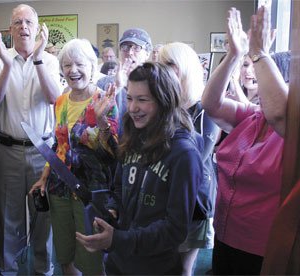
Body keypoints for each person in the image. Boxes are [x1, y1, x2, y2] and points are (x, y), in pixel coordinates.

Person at [76, 62, 203, 275]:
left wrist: (118, 239)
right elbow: (119, 188)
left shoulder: (184, 154)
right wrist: (112, 209)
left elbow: (174, 229)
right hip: (118, 262)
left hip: (154, 267)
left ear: (164, 102)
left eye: (142, 100)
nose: (133, 107)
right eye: (129, 98)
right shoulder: (132, 136)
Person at [201, 6, 287, 275]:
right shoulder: (253, 116)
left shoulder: (294, 131)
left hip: (262, 248)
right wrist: (233, 55)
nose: (256, 78)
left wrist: (261, 54)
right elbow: (210, 103)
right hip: (226, 236)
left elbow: (281, 112)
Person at [0, 4, 63, 275]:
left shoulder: (50, 61)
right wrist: (6, 65)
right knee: (8, 218)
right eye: (17, 22)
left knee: (44, 217)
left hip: (42, 152)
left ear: (38, 28)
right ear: (10, 30)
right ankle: (8, 270)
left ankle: (43, 269)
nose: (23, 27)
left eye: (28, 22)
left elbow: (54, 98)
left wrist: (39, 59)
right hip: (8, 151)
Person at [29, 38, 119, 276]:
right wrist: (44, 177)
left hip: (91, 192)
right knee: (65, 254)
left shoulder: (106, 99)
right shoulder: (60, 101)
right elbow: (59, 145)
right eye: (67, 65)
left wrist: (101, 123)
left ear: (92, 65)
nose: (73, 70)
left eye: (79, 64)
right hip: (60, 188)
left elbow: (115, 152)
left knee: (91, 257)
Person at [159, 42, 220, 276]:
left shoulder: (204, 108)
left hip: (192, 203)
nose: (163, 70)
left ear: (185, 68)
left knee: (182, 269)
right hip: (163, 199)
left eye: (170, 64)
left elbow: (195, 157)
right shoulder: (163, 106)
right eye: (161, 64)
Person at [97, 28, 152, 136]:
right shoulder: (103, 83)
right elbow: (94, 119)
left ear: (147, 53)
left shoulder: (154, 84)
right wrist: (117, 88)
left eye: (136, 48)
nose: (130, 53)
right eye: (125, 47)